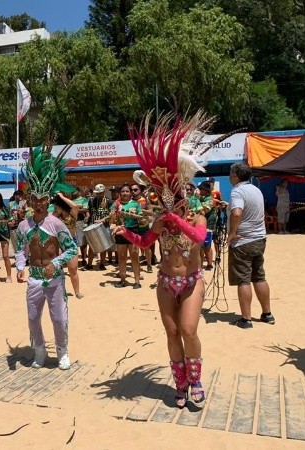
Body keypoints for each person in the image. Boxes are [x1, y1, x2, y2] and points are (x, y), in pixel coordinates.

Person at [119, 113, 216, 409]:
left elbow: (199, 239)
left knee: (188, 330)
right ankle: (180, 383)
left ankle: (196, 379)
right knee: (172, 332)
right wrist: (126, 233)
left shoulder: (197, 216)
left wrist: (176, 218)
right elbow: (147, 243)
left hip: (191, 282)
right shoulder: (162, 221)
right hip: (164, 282)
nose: (171, 201)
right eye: (165, 198)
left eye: (175, 196)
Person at [15, 146, 78, 370]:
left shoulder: (56, 224)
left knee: (59, 319)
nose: (39, 203)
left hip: (55, 279)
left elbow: (72, 249)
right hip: (34, 279)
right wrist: (20, 267)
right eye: (35, 199)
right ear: (30, 200)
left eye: (42, 199)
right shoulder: (23, 225)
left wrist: (56, 262)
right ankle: (39, 351)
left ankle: (62, 352)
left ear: (48, 200)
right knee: (33, 319)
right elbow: (20, 249)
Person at [227, 163, 274, 329]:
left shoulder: (237, 191)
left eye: (231, 173)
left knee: (243, 279)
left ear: (235, 175)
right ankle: (267, 314)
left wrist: (231, 233)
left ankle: (246, 319)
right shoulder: (256, 189)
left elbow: (237, 212)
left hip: (243, 240)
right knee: (259, 276)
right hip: (259, 238)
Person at [52, 192, 84, 298]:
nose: (56, 207)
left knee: (73, 269)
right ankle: (60, 290)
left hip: (71, 243)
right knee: (57, 269)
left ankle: (77, 291)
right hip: (59, 244)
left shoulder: (72, 213)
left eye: (58, 205)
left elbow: (74, 205)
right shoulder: (55, 216)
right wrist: (57, 212)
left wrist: (62, 197)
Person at [112, 184, 144, 289]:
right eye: (123, 191)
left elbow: (141, 218)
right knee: (122, 258)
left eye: (127, 191)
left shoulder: (135, 204)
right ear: (120, 193)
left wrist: (132, 215)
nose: (125, 193)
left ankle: (137, 281)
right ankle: (122, 280)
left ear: (130, 193)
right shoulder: (115, 204)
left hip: (133, 232)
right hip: (120, 232)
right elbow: (111, 219)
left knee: (134, 257)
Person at [87, 184, 112, 270]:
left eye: (100, 193)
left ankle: (102, 263)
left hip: (104, 226)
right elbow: (89, 211)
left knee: (103, 245)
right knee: (91, 245)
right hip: (93, 225)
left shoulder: (109, 201)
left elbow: (112, 214)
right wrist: (87, 217)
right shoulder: (91, 201)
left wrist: (103, 219)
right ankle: (89, 264)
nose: (98, 195)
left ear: (104, 192)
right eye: (97, 193)